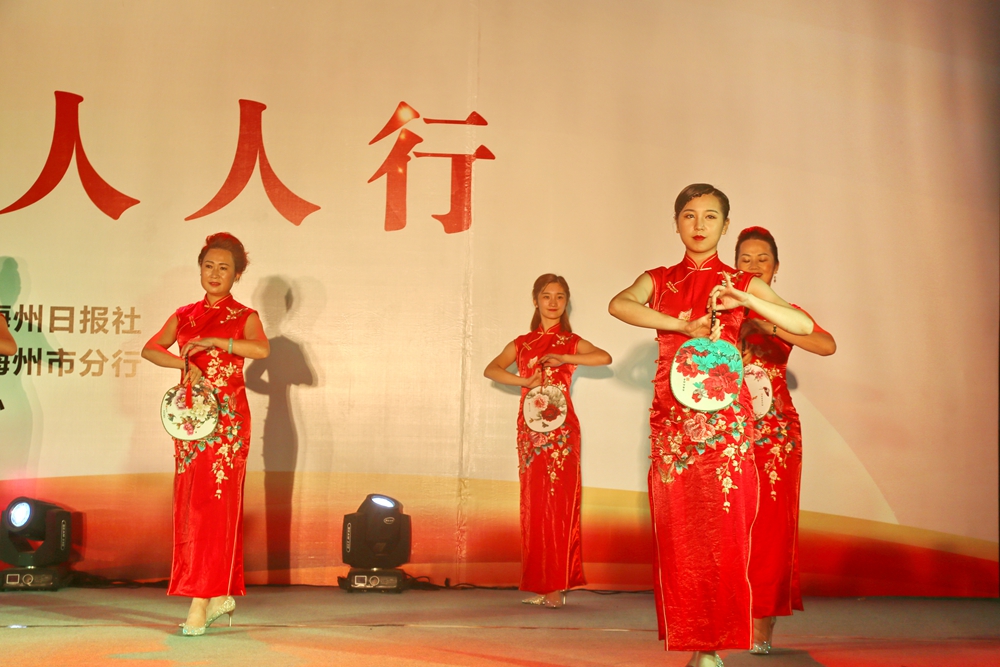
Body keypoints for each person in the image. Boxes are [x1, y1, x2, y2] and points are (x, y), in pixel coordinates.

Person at [608, 184, 813, 667]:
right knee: (680, 533)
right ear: (676, 223)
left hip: (727, 430)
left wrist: (745, 297)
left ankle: (714, 646)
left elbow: (802, 326)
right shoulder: (660, 279)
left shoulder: (740, 281)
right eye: (689, 215)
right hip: (674, 426)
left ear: (725, 225)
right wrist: (681, 326)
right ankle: (696, 642)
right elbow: (619, 305)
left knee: (724, 532)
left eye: (710, 216)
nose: (699, 225)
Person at [142, 232, 270, 636]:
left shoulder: (244, 316)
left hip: (228, 424)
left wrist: (218, 341)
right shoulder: (185, 315)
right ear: (200, 269)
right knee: (192, 507)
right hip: (192, 420)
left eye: (224, 268)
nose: (215, 274)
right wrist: (183, 366)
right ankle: (216, 594)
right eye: (208, 266)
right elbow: (151, 348)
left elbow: (261, 350)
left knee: (217, 508)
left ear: (237, 275)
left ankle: (202, 598)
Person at [735, 226, 836, 655]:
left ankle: (763, 620)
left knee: (770, 529)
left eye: (763, 259)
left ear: (775, 267)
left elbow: (826, 345)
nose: (754, 265)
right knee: (728, 525)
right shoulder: (720, 308)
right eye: (746, 259)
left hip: (775, 436)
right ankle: (725, 618)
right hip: (726, 432)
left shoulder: (786, 313)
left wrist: (771, 327)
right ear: (734, 266)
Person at [484, 274, 611, 608]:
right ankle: (545, 585)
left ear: (566, 302)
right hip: (530, 431)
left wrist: (565, 358)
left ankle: (557, 586)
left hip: (562, 433)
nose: (553, 303)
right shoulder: (522, 343)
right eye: (546, 296)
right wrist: (524, 381)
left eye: (559, 296)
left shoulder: (570, 341)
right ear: (535, 300)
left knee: (560, 506)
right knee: (535, 506)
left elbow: (604, 357)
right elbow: (491, 369)